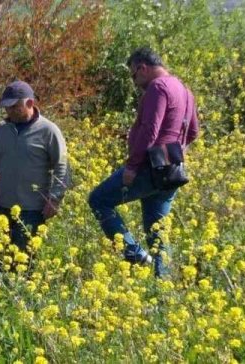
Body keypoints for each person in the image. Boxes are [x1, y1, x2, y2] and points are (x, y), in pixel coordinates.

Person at [88, 47, 199, 277]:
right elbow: (193, 132)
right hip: (172, 171)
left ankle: (135, 254)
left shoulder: (158, 87)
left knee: (98, 200)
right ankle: (163, 287)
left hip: (148, 168)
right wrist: (177, 152)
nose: (134, 81)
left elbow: (150, 130)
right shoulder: (185, 90)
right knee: (157, 231)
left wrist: (132, 166)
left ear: (143, 68)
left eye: (133, 75)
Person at [0, 80, 68, 254]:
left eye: (14, 107)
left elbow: (61, 167)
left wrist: (55, 198)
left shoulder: (49, 131)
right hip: (2, 208)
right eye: (6, 107)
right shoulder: (1, 130)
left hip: (32, 211)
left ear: (30, 103)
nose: (9, 111)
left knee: (24, 266)